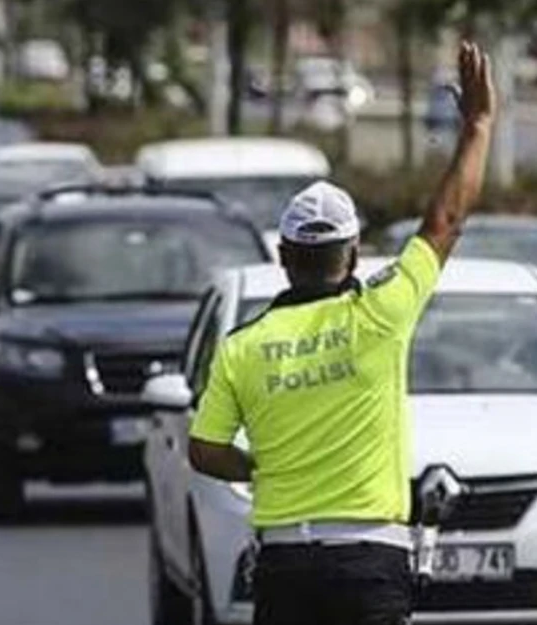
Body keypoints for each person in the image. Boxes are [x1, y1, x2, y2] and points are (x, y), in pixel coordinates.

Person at [187, 41, 495, 625]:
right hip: (370, 562)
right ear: (353, 255)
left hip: (285, 564)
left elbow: (205, 450)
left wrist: (261, 468)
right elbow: (446, 221)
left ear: (283, 255)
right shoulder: (382, 313)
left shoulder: (242, 347)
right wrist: (478, 125)